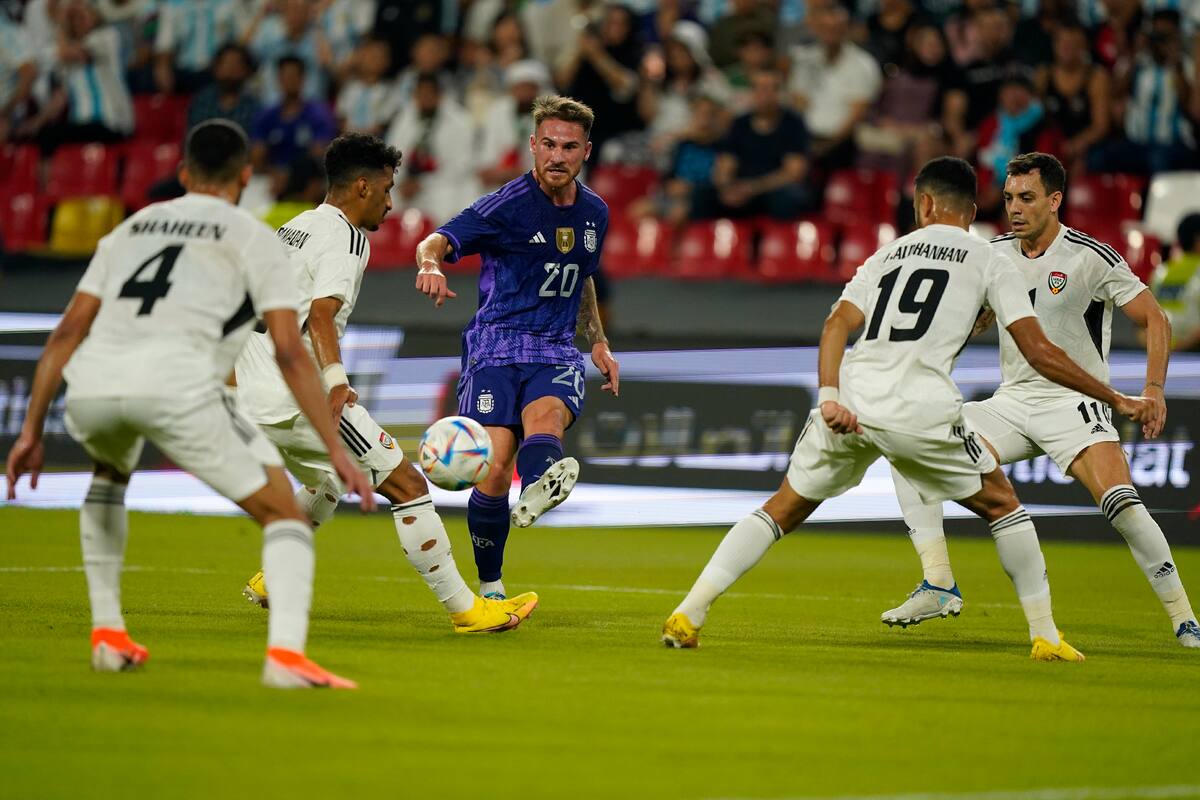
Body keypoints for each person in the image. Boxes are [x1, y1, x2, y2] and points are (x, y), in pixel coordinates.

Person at [662, 156, 1153, 659]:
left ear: (924, 203)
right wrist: (1114, 397)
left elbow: (836, 325)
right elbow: (1040, 352)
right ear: (974, 206)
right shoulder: (990, 260)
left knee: (781, 508)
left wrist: (829, 397)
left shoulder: (886, 255)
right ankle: (1046, 637)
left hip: (852, 398)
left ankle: (690, 612)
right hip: (919, 406)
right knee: (1003, 506)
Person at [3, 120, 376, 688]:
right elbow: (290, 352)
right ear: (244, 176)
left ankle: (107, 634)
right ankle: (285, 660)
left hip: (96, 385)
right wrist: (337, 450)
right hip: (179, 388)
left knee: (108, 475)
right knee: (284, 515)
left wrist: (30, 431)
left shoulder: (130, 230)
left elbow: (66, 332)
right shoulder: (253, 238)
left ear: (182, 174)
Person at [880, 152, 1200, 649]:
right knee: (908, 441)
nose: (1015, 208)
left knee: (1123, 507)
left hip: (1076, 404)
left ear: (1055, 200)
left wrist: (1153, 389)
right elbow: (972, 316)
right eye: (1008, 198)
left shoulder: (1089, 257)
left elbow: (1155, 318)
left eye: (1026, 198)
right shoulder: (993, 253)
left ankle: (1185, 619)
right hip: (1012, 402)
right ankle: (939, 580)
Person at [235, 133, 538, 633]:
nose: (391, 202)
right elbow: (322, 312)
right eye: (386, 189)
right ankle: (468, 609)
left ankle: (275, 577)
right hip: (299, 393)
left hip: (253, 389)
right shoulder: (348, 236)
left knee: (329, 480)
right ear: (360, 187)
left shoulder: (291, 228)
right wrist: (335, 381)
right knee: (407, 484)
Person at [412, 95, 620, 601]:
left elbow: (582, 279)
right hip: (496, 345)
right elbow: (435, 240)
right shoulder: (504, 207)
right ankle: (491, 583)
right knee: (495, 464)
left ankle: (543, 481)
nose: (557, 155)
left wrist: (599, 342)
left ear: (586, 152)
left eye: (569, 146)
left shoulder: (596, 212)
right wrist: (431, 266)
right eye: (548, 143)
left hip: (553, 346)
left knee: (546, 419)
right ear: (532, 145)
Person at [691, 69, 815, 221]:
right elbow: (725, 163)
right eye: (759, 88)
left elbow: (793, 173)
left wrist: (752, 188)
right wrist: (727, 187)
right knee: (701, 194)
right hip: (742, 187)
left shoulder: (793, 124)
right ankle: (705, 242)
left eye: (770, 89)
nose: (764, 94)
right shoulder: (740, 124)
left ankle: (779, 243)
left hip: (771, 188)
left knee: (785, 198)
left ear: (779, 93)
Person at [186, 44, 262, 136]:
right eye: (226, 63)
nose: (230, 69)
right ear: (215, 68)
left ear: (247, 70)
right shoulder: (202, 100)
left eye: (236, 64)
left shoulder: (255, 105)